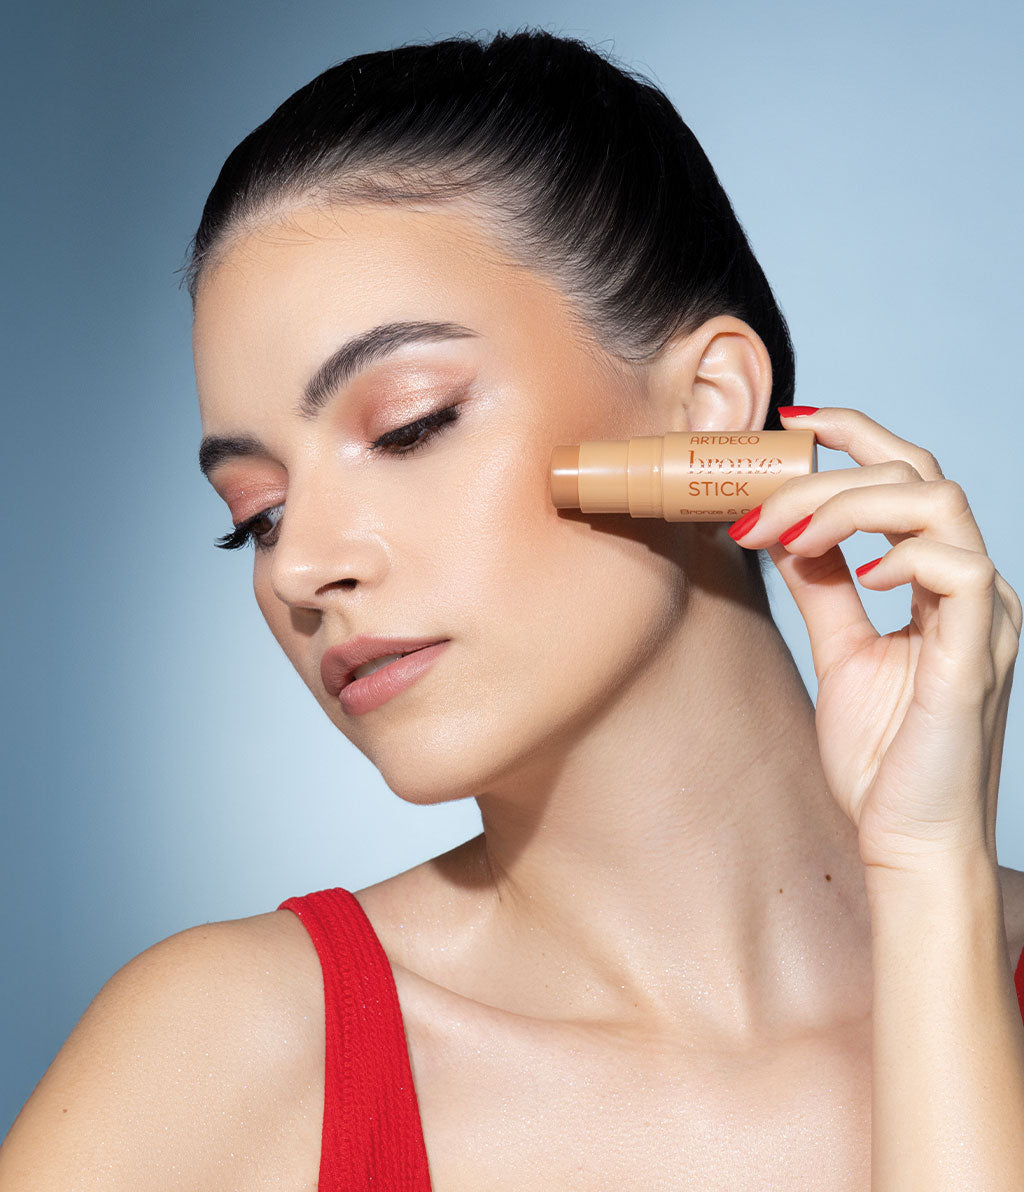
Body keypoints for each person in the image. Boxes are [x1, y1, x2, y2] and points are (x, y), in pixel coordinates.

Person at [3, 27, 1023, 1191]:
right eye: (259, 512)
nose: (298, 570)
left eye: (409, 425)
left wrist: (930, 879)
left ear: (707, 414)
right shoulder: (225, 1063)